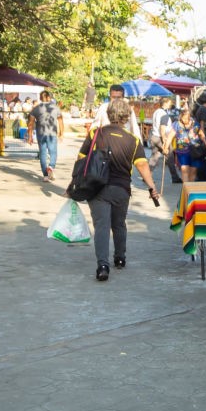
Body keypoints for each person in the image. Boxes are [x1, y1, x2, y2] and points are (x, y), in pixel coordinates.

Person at [73, 97, 160, 282]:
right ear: (127, 117)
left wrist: (74, 184)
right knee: (119, 224)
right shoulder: (133, 140)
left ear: (109, 114)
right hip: (121, 189)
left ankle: (102, 266)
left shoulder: (96, 134)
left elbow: (81, 158)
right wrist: (152, 187)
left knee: (102, 226)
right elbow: (142, 166)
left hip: (97, 187)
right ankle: (120, 258)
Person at [26, 90, 64, 181]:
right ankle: (51, 166)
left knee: (42, 154)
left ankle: (45, 176)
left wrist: (30, 136)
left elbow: (30, 124)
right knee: (53, 152)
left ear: (40, 98)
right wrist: (61, 133)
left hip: (41, 134)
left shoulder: (35, 109)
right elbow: (60, 121)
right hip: (52, 134)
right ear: (48, 97)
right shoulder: (55, 108)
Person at [149, 96, 182, 184]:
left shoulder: (157, 111)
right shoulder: (164, 114)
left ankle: (147, 176)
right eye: (169, 103)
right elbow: (162, 127)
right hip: (160, 137)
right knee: (170, 156)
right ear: (165, 103)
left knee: (154, 158)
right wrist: (164, 139)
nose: (170, 104)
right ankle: (175, 177)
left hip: (154, 136)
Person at [172, 109, 201, 182]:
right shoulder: (176, 124)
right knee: (184, 169)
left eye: (186, 118)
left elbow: (201, 134)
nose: (184, 120)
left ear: (190, 117)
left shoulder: (196, 124)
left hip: (194, 150)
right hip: (182, 151)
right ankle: (186, 189)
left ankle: (190, 189)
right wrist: (165, 146)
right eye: (183, 118)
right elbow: (171, 135)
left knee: (193, 170)